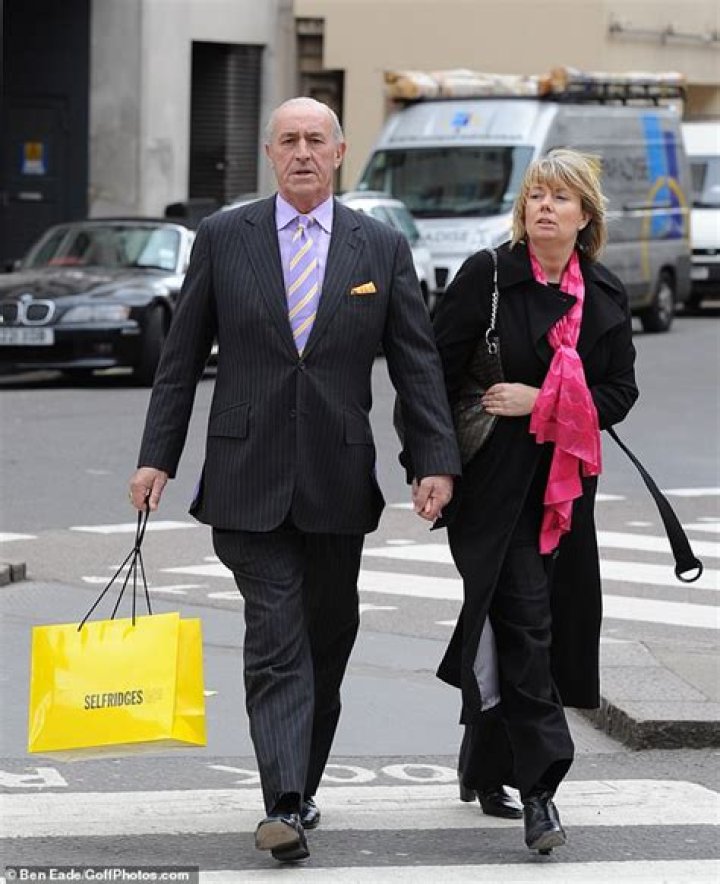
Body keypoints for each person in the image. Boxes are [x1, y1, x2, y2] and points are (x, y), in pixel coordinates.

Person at [128, 97, 461, 863]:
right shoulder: (224, 237)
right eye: (289, 140)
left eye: (316, 139)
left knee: (328, 638)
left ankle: (301, 786)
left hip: (338, 479)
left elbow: (417, 365)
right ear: (270, 155)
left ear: (340, 152)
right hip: (247, 476)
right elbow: (180, 358)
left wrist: (434, 460)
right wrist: (156, 456)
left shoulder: (380, 247)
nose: (302, 152)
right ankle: (281, 802)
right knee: (276, 635)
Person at [432, 149, 638, 853]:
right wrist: (431, 467)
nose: (545, 206)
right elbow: (431, 375)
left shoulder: (604, 293)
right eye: (536, 195)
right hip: (493, 486)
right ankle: (541, 791)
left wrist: (542, 400)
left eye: (560, 197)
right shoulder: (488, 276)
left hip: (565, 489)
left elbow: (619, 393)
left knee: (527, 621)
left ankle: (484, 759)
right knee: (527, 621)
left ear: (585, 216)